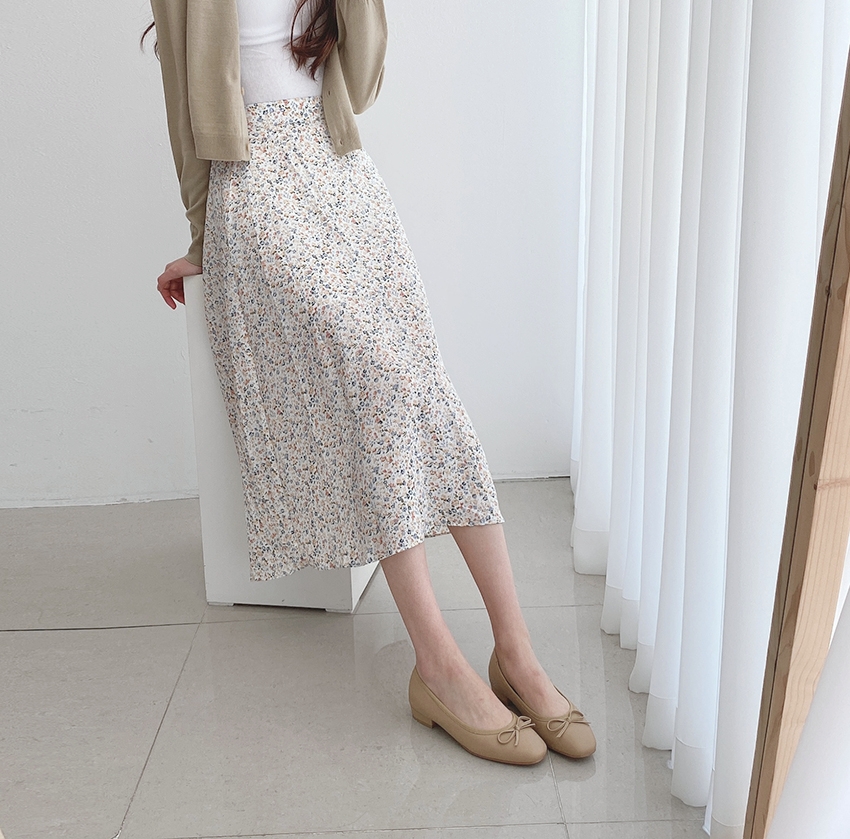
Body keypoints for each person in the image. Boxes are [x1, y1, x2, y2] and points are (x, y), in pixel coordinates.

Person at [144, 0, 595, 766]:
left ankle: (515, 653)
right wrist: (201, 235)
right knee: (377, 380)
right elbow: (182, 111)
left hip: (340, 167)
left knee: (428, 391)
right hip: (250, 184)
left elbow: (362, 78)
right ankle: (438, 666)